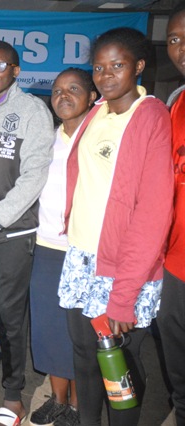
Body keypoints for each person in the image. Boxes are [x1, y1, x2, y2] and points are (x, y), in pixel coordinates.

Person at [59, 28, 172, 426]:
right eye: (98, 68)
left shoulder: (150, 116)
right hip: (81, 257)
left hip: (123, 265)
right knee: (84, 356)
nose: (105, 76)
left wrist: (124, 295)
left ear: (138, 66)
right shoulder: (97, 111)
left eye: (117, 66)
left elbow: (153, 212)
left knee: (120, 366)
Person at [0, 40, 54, 425]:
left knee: (11, 316)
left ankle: (14, 395)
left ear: (16, 71)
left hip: (12, 232)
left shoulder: (32, 111)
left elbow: (34, 176)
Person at [29, 68, 96, 426]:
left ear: (92, 96)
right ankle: (57, 399)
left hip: (85, 248)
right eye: (56, 91)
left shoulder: (100, 137)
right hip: (47, 245)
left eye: (73, 89)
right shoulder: (48, 139)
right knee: (50, 327)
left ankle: (77, 405)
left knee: (80, 332)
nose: (63, 96)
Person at [158, 4, 185, 424]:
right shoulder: (175, 101)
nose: (181, 49)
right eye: (175, 39)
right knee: (179, 377)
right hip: (174, 265)